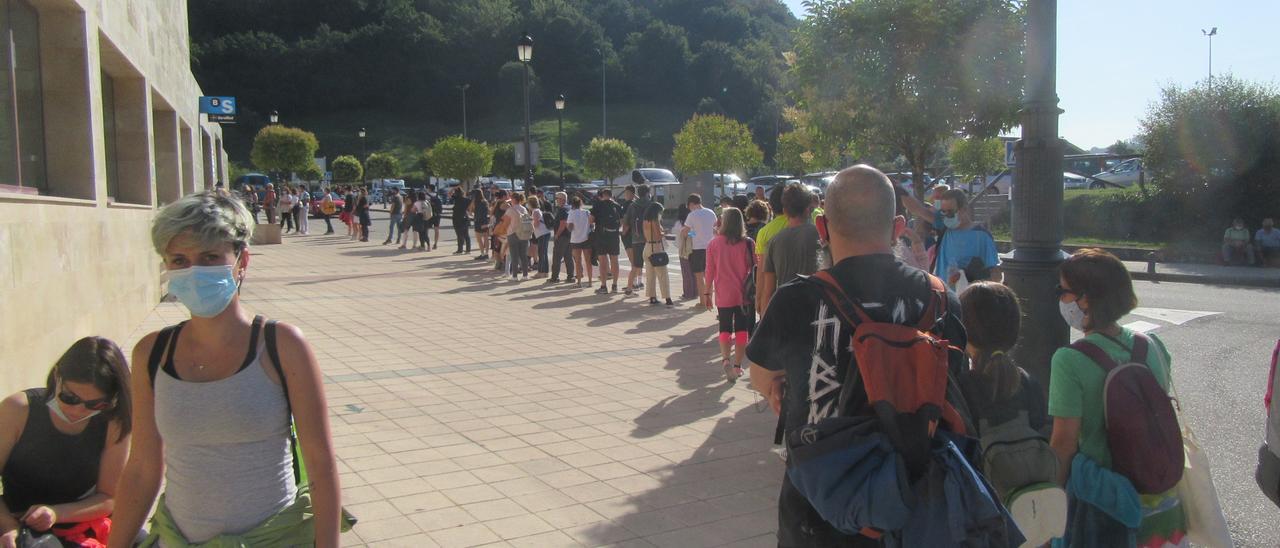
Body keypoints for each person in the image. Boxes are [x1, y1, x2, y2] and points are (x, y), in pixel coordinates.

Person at [747, 166, 970, 547]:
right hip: (916, 504)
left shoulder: (794, 299)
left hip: (817, 507)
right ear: (898, 227)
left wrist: (783, 386)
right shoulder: (941, 299)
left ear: (823, 227)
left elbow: (761, 377)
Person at [109, 190, 340, 547]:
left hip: (273, 539)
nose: (194, 271)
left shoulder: (282, 346)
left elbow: (321, 466)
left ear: (242, 260)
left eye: (210, 257)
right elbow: (141, 469)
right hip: (178, 540)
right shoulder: (151, 353)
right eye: (179, 260)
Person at [1049, 248, 1185, 546]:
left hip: (1106, 508)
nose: (1060, 299)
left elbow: (1064, 444)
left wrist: (1050, 506)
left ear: (1085, 300)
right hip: (1161, 500)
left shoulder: (1069, 360)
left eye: (1063, 291)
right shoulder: (1152, 345)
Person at [0, 337, 132, 547]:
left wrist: (55, 513)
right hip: (17, 517)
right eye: (70, 397)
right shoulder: (18, 409)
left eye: (95, 404)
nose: (78, 410)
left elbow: (108, 498)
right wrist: (7, 526)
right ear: (57, 376)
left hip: (79, 516)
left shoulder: (113, 422)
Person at [705, 207, 755, 381]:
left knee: (724, 327)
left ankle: (725, 359)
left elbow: (709, 271)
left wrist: (706, 293)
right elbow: (753, 267)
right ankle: (738, 366)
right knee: (742, 329)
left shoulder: (714, 243)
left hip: (723, 292)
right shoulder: (748, 243)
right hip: (743, 293)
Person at [759, 183, 822, 315]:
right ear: (808, 208)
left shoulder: (773, 242)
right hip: (816, 311)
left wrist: (764, 322)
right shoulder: (821, 237)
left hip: (785, 311)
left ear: (785, 210)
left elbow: (768, 291)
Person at [929, 189, 999, 288]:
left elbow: (996, 275)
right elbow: (917, 210)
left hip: (968, 295)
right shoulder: (945, 229)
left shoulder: (982, 236)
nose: (947, 216)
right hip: (943, 294)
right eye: (943, 212)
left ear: (964, 209)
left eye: (950, 212)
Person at [682, 194, 719, 309]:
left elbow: (685, 232)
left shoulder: (692, 215)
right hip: (712, 248)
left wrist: (694, 234)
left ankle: (703, 302)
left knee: (699, 277)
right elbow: (715, 229)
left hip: (697, 249)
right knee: (710, 276)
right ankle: (709, 301)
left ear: (691, 204)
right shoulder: (711, 213)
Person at [590, 188, 624, 294]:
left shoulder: (598, 205)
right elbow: (622, 222)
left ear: (602, 195)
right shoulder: (617, 206)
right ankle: (615, 286)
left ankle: (604, 286)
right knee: (615, 260)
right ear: (611, 195)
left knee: (603, 261)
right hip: (614, 236)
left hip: (601, 235)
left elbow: (591, 220)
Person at [622, 184, 653, 294]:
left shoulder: (632, 206)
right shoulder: (652, 205)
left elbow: (626, 223)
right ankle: (651, 292)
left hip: (636, 238)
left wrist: (623, 233)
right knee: (651, 266)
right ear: (648, 193)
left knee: (635, 264)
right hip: (650, 239)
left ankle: (629, 287)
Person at [641, 200, 673, 308]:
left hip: (647, 247)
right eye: (660, 212)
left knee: (650, 275)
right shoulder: (655, 221)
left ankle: (652, 297)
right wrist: (665, 232)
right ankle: (668, 298)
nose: (661, 214)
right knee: (663, 275)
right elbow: (658, 236)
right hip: (656, 248)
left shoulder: (645, 221)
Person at [549, 192, 575, 284]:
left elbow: (563, 223)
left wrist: (557, 234)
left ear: (562, 199)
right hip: (569, 235)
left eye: (557, 199)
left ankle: (555, 277)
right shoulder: (569, 208)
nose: (556, 200)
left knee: (557, 257)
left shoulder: (562, 210)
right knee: (568, 257)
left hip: (562, 236)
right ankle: (570, 276)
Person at [504, 192, 532, 280]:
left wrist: (505, 231)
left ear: (513, 199)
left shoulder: (510, 210)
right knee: (523, 256)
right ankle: (525, 275)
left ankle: (515, 276)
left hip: (513, 234)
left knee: (514, 256)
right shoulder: (524, 209)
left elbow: (505, 223)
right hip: (524, 234)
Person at [568, 195, 593, 288]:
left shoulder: (571, 213)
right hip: (586, 238)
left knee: (578, 262)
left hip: (575, 239)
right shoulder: (586, 212)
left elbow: (570, 227)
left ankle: (579, 282)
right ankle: (590, 281)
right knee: (588, 261)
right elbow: (592, 224)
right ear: (581, 203)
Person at [673, 204, 697, 300]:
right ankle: (695, 292)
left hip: (683, 249)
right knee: (694, 272)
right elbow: (695, 233)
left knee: (686, 272)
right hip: (693, 248)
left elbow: (675, 231)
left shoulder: (679, 223)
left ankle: (688, 293)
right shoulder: (693, 221)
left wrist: (684, 232)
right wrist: (690, 233)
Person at [528, 195, 551, 277]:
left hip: (542, 234)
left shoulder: (535, 211)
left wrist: (530, 225)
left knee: (541, 253)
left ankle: (541, 272)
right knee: (543, 253)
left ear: (530, 203)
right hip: (544, 233)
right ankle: (545, 272)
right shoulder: (537, 210)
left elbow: (536, 225)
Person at [471, 190, 491, 261]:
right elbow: (488, 211)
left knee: (479, 239)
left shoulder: (476, 202)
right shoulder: (485, 202)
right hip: (485, 221)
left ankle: (482, 253)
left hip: (478, 222)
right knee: (486, 238)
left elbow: (471, 210)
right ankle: (486, 253)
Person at [451, 187, 472, 255]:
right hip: (465, 217)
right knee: (466, 234)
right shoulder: (467, 200)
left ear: (456, 193)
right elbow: (470, 206)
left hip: (457, 218)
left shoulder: (456, 198)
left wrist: (453, 188)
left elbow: (449, 193)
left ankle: (460, 250)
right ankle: (468, 250)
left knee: (459, 234)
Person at [427, 186, 444, 250]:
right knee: (436, 229)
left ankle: (427, 244)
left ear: (429, 189)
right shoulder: (438, 196)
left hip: (429, 214)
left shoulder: (427, 196)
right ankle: (435, 244)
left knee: (426, 229)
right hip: (437, 215)